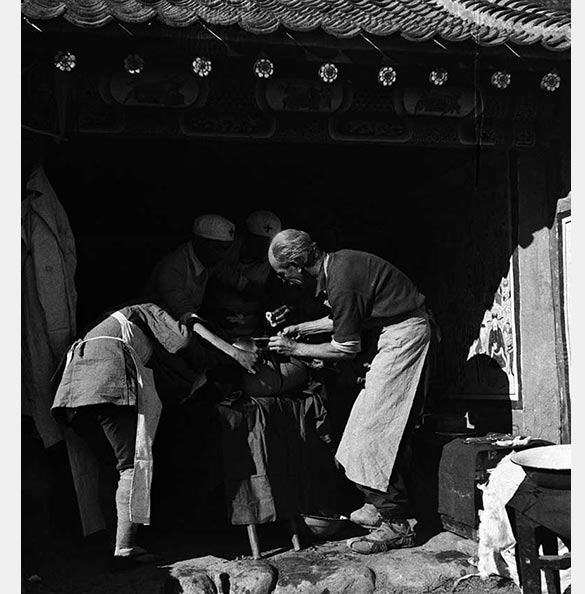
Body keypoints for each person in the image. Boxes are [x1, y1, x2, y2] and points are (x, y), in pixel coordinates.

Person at [266, 229, 432, 554]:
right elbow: (346, 317)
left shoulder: (340, 280)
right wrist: (302, 328)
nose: (283, 279)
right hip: (392, 334)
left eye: (282, 272)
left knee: (375, 430)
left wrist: (295, 348)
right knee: (359, 429)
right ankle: (379, 503)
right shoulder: (337, 267)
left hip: (404, 338)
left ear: (297, 265)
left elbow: (346, 346)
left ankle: (397, 522)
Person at [50, 303, 197, 570]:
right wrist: (190, 318)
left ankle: (113, 542)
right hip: (106, 386)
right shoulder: (142, 310)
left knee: (111, 467)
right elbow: (182, 339)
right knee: (131, 465)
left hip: (71, 397)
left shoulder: (102, 327)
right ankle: (125, 548)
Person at [143, 213, 259, 375]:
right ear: (200, 242)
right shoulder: (172, 269)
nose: (222, 256)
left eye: (226, 250)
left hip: (189, 326)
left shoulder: (209, 259)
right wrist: (234, 353)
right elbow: (186, 316)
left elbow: (235, 279)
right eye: (218, 249)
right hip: (161, 334)